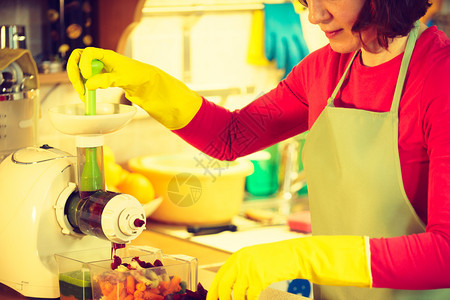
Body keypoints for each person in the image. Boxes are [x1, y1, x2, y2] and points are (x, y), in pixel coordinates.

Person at [67, 0, 450, 299]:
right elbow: (231, 136)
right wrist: (144, 82)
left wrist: (301, 256)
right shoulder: (323, 71)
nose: (315, 15)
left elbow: (445, 252)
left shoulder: (439, 78)